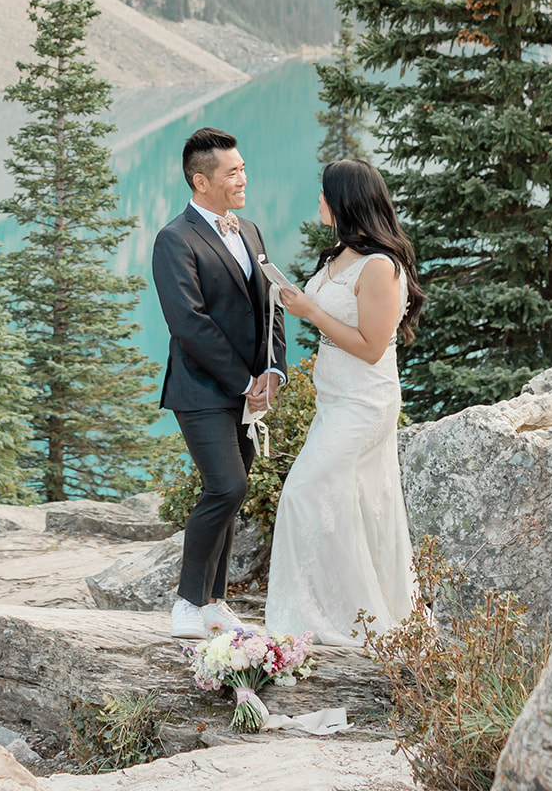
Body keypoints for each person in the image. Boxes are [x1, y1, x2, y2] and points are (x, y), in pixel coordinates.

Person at [263, 157, 424, 644]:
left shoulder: (380, 266)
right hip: (334, 400)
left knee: (304, 493)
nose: (318, 200)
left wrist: (310, 312)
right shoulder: (339, 254)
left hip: (364, 401)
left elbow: (373, 347)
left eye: (324, 193)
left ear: (345, 201)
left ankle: (331, 617)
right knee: (350, 501)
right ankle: (348, 607)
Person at [152, 127, 288, 640]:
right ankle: (187, 602)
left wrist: (272, 371)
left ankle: (215, 601)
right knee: (226, 485)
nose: (243, 179)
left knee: (232, 493)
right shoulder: (174, 239)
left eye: (243, 168)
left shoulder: (249, 230)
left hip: (250, 390)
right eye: (233, 172)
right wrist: (242, 379)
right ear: (201, 181)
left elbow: (273, 304)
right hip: (202, 390)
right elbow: (189, 322)